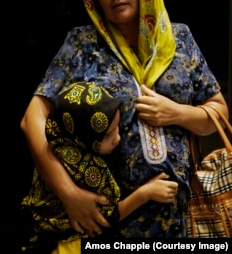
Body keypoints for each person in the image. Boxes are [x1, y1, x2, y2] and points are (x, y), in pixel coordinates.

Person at [20, 0, 228, 250]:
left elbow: (219, 114)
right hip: (106, 227)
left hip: (179, 225)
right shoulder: (82, 44)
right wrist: (68, 192)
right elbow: (32, 118)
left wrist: (177, 113)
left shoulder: (179, 38)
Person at [20, 81, 178, 253]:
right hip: (69, 246)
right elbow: (105, 218)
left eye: (117, 127)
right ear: (86, 137)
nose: (117, 138)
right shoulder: (87, 169)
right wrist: (146, 192)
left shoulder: (58, 141)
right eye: (107, 135)